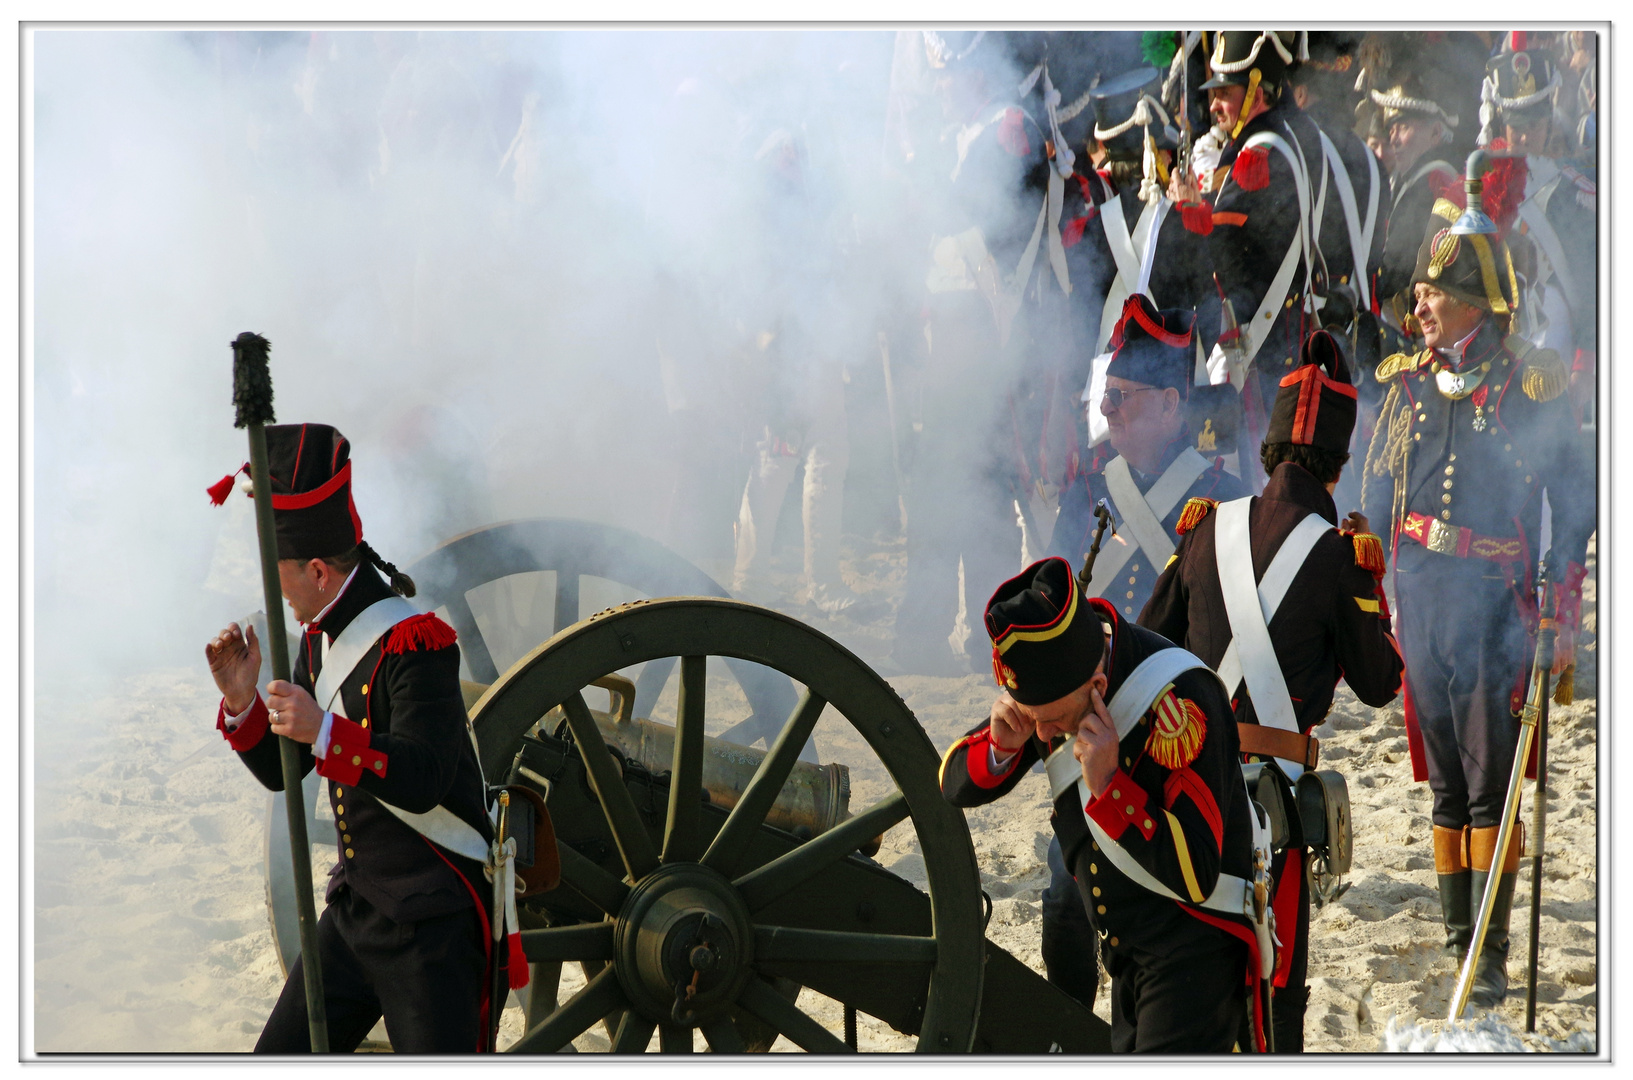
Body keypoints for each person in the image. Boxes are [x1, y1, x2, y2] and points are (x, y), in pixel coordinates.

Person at [1140, 329, 1405, 1050]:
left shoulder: (1203, 529)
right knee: (1272, 994)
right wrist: (1367, 588)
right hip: (1269, 806)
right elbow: (1382, 683)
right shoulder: (1341, 557)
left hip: (1184, 783)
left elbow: (1147, 641)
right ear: (1338, 462)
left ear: (1268, 448)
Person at [1361, 196, 1593, 1008]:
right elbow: (1374, 493)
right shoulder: (1404, 382)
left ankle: (1488, 958)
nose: (1416, 304)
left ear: (1474, 300)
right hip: (1421, 597)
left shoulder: (1530, 380)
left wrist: (1560, 605)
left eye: (1431, 291)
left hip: (1495, 602)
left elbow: (1577, 496)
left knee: (1491, 782)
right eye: (1420, 293)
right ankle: (1459, 937)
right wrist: (1373, 596)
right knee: (1446, 788)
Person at [204, 423, 497, 1052]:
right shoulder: (319, 635)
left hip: (431, 924)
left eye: (279, 575)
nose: (274, 594)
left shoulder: (415, 642)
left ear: (315, 570)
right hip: (358, 908)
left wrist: (326, 731)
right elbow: (287, 772)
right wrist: (241, 701)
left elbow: (423, 779)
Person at [940, 556, 1269, 1051]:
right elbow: (952, 786)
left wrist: (1112, 785)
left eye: (1050, 721)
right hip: (1127, 955)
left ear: (1097, 688)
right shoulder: (1053, 689)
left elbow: (1198, 876)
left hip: (1192, 954)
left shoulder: (1181, 700)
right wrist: (1002, 746)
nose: (1044, 735)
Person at [1040, 294, 1246, 1011]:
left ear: (1168, 403)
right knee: (1066, 895)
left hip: (1175, 731)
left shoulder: (1227, 500)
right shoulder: (1090, 490)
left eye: (1121, 400)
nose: (1106, 413)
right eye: (1104, 397)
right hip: (1093, 716)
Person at [1181, 31, 1328, 489]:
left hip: (1263, 351)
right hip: (1281, 339)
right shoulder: (1291, 134)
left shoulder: (1259, 153)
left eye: (1225, 93)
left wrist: (1189, 212)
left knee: (1256, 485)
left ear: (1257, 93)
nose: (1216, 106)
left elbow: (1227, 258)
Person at [1480, 36, 1598, 420]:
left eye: (1533, 124)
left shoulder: (1573, 195)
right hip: (1497, 344)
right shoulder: (1481, 187)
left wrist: (1584, 361)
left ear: (1549, 122)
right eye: (1516, 126)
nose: (1524, 137)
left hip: (1554, 341)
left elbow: (1591, 284)